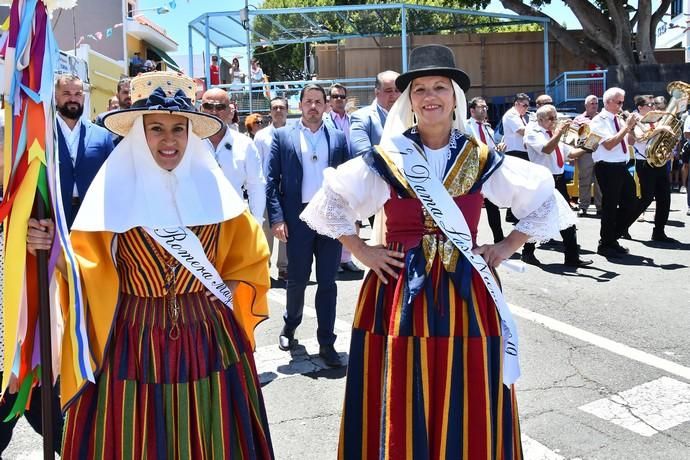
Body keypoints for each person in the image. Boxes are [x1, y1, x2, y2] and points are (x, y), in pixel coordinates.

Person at [299, 44, 574, 459]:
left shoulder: (481, 156)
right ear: (409, 100)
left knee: (470, 377)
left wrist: (507, 245)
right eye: (421, 88)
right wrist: (362, 250)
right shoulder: (389, 156)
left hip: (467, 289)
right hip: (398, 287)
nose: (430, 96)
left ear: (455, 98)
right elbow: (329, 201)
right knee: (400, 379)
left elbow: (543, 197)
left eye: (440, 87)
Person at [27, 71, 274, 458]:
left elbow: (252, 256)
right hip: (132, 339)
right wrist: (50, 248)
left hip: (208, 339)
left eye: (178, 128)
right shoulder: (110, 193)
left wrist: (226, 291)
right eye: (155, 128)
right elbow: (81, 268)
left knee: (213, 436)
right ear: (139, 134)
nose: (168, 139)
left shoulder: (215, 190)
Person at [266, 83, 350, 368]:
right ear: (299, 105)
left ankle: (327, 342)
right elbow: (271, 182)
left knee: (328, 282)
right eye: (308, 101)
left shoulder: (338, 138)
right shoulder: (282, 136)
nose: (313, 106)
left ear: (326, 106)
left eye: (318, 102)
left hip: (329, 219)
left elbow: (348, 181)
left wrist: (351, 218)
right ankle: (290, 327)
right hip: (297, 219)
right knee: (297, 280)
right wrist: (277, 219)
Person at [0, 112, 63, 456]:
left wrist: (46, 239)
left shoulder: (34, 180)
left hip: (40, 335)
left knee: (64, 432)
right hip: (10, 346)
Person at [524, 104, 594, 266]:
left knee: (567, 219)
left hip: (557, 180)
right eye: (551, 118)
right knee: (537, 219)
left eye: (556, 117)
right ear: (540, 119)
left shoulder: (553, 135)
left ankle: (571, 257)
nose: (555, 121)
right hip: (542, 182)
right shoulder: (534, 133)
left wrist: (588, 146)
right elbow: (547, 149)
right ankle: (527, 252)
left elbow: (571, 153)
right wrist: (558, 132)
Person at [55, 74, 115, 228]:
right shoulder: (43, 135)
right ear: (56, 97)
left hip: (92, 220)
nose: (73, 99)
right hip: (54, 219)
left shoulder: (101, 136)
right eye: (66, 94)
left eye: (78, 94)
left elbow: (113, 179)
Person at [200, 88, 266, 225]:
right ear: (201, 108)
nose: (213, 111)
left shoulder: (245, 144)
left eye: (220, 107)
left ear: (230, 111)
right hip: (197, 221)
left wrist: (257, 221)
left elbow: (256, 185)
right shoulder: (189, 142)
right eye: (208, 106)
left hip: (234, 220)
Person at [589, 87, 639, 258]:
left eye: (623, 102)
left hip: (621, 165)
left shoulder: (619, 120)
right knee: (610, 206)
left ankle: (612, 237)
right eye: (619, 102)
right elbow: (609, 145)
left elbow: (631, 141)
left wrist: (632, 129)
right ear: (608, 102)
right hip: (607, 166)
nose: (622, 105)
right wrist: (626, 127)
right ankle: (606, 243)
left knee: (633, 201)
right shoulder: (598, 121)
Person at [626, 95, 677, 243]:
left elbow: (663, 140)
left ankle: (659, 232)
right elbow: (640, 138)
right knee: (646, 199)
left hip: (659, 162)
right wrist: (660, 128)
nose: (653, 107)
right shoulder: (635, 119)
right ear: (640, 107)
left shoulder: (656, 119)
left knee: (665, 198)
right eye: (649, 105)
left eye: (654, 104)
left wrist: (668, 147)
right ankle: (623, 225)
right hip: (644, 162)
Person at [322, 83, 362, 273]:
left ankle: (347, 258)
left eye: (342, 97)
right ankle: (335, 260)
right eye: (335, 96)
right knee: (334, 217)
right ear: (329, 100)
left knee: (353, 217)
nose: (339, 100)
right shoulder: (324, 121)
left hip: (353, 175)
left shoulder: (354, 120)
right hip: (334, 174)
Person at [254, 97, 289, 280]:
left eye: (281, 107)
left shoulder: (294, 132)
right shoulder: (261, 136)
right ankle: (264, 267)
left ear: (287, 110)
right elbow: (257, 164)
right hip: (269, 188)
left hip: (289, 187)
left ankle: (284, 267)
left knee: (287, 228)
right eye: (274, 108)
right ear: (270, 111)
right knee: (267, 229)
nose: (278, 111)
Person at [468, 96, 507, 243]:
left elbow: (490, 148)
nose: (484, 109)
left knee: (493, 207)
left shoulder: (488, 128)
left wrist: (498, 149)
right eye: (481, 107)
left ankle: (499, 239)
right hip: (474, 173)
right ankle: (470, 241)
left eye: (486, 107)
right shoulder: (466, 126)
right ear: (472, 110)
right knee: (472, 207)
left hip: (488, 172)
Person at [349, 70, 401, 156]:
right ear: (377, 92)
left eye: (397, 90)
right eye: (389, 91)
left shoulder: (411, 116)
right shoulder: (361, 117)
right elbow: (364, 156)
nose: (394, 95)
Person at [572, 95, 603, 216]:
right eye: (592, 103)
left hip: (601, 153)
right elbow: (574, 136)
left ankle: (600, 207)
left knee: (600, 182)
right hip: (585, 154)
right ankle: (583, 206)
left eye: (596, 103)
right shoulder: (578, 119)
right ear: (586, 105)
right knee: (584, 181)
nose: (595, 105)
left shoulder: (602, 118)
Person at [95, 77, 132, 145]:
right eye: (125, 92)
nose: (129, 96)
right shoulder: (104, 119)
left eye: (132, 92)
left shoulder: (143, 117)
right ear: (117, 95)